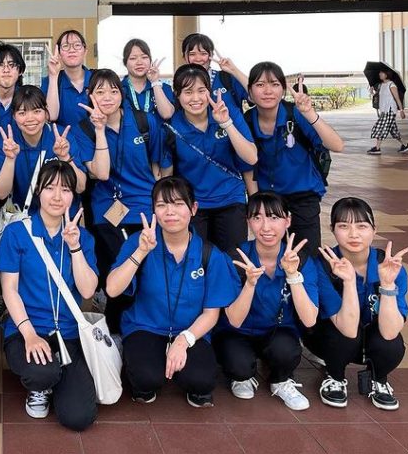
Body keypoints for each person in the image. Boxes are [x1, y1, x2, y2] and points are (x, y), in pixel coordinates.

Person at [106, 177, 237, 408]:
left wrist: (183, 341)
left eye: (178, 204)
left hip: (190, 330)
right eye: (162, 205)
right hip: (145, 326)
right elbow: (112, 289)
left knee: (201, 382)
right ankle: (150, 365)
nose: (170, 212)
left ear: (193, 208)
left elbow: (211, 313)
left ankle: (176, 362)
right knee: (145, 380)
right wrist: (141, 252)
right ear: (153, 210)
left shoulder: (209, 254)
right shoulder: (140, 241)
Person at [0, 160, 99, 430]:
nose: (56, 196)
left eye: (65, 190)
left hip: (68, 333)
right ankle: (41, 386)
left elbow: (88, 290)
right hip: (26, 329)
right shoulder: (17, 232)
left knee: (79, 418)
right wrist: (29, 335)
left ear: (73, 196)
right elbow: (10, 290)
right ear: (38, 191)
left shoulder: (83, 237)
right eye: (50, 187)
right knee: (43, 372)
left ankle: (58, 378)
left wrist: (75, 247)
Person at [69, 69, 169, 332]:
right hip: (108, 212)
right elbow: (99, 173)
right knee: (118, 274)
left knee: (150, 274)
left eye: (113, 91)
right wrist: (100, 130)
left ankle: (150, 329)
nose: (107, 97)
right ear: (90, 95)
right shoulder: (83, 129)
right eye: (99, 92)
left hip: (146, 209)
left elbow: (162, 166)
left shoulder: (144, 121)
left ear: (121, 94)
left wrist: (162, 203)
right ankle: (118, 334)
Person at [215, 193, 319, 411]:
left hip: (278, 330)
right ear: (248, 221)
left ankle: (281, 381)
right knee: (238, 364)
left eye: (274, 217)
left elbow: (309, 319)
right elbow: (234, 320)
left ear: (288, 220)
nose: (266, 227)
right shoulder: (235, 257)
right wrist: (250, 284)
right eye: (257, 218)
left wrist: (292, 275)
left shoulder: (301, 260)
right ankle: (243, 376)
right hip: (238, 332)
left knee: (286, 353)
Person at [306, 197, 408, 411]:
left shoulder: (389, 266)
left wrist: (388, 284)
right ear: (333, 229)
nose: (353, 234)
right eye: (344, 226)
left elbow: (390, 332)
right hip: (333, 337)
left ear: (374, 229)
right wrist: (350, 281)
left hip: (371, 336)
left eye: (362, 226)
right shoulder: (322, 265)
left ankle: (379, 380)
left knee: (391, 344)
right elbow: (347, 327)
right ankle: (334, 377)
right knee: (343, 336)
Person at [244, 64, 344, 254]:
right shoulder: (247, 120)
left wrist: (309, 113)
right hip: (270, 200)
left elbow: (337, 145)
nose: (267, 91)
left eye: (274, 84)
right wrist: (256, 202)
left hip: (303, 197)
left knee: (307, 255)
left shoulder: (295, 114)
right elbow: (248, 166)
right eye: (260, 85)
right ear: (250, 91)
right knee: (272, 255)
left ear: (282, 89)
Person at [162, 64, 257, 253]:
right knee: (198, 261)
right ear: (177, 95)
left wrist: (226, 123)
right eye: (188, 92)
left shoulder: (228, 113)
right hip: (194, 206)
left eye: (201, 91)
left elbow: (251, 157)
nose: (196, 98)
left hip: (231, 200)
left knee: (233, 263)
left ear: (210, 92)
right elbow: (167, 174)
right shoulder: (171, 128)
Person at [0, 85, 86, 207]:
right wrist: (10, 159)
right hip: (24, 217)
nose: (30, 119)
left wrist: (64, 156)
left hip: (62, 215)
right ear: (14, 116)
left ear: (46, 113)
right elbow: (0, 193)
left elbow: (80, 187)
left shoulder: (61, 138)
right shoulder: (7, 142)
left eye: (37, 111)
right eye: (22, 113)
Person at [155, 33, 249, 118]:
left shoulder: (226, 78)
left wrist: (234, 70)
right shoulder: (180, 82)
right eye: (192, 54)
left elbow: (255, 96)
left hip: (233, 135)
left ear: (211, 55)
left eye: (203, 53)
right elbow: (168, 114)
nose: (198, 59)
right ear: (184, 56)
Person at [41, 29, 93, 128]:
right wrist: (53, 76)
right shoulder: (48, 82)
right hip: (62, 142)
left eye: (77, 45)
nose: (72, 50)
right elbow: (51, 116)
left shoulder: (97, 80)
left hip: (96, 142)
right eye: (65, 46)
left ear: (85, 51)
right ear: (59, 54)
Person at [368, 70, 408, 155]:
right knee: (393, 130)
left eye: (382, 73)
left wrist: (401, 110)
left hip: (390, 110)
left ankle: (377, 148)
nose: (380, 74)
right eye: (379, 73)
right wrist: (372, 91)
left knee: (381, 126)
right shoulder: (380, 85)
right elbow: (378, 96)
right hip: (383, 110)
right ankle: (405, 145)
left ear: (387, 74)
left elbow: (397, 98)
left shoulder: (392, 84)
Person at [120, 38, 164, 116]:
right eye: (133, 58)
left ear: (150, 60)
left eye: (144, 57)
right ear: (125, 63)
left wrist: (155, 82)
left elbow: (167, 114)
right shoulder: (118, 89)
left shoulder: (163, 87)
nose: (139, 62)